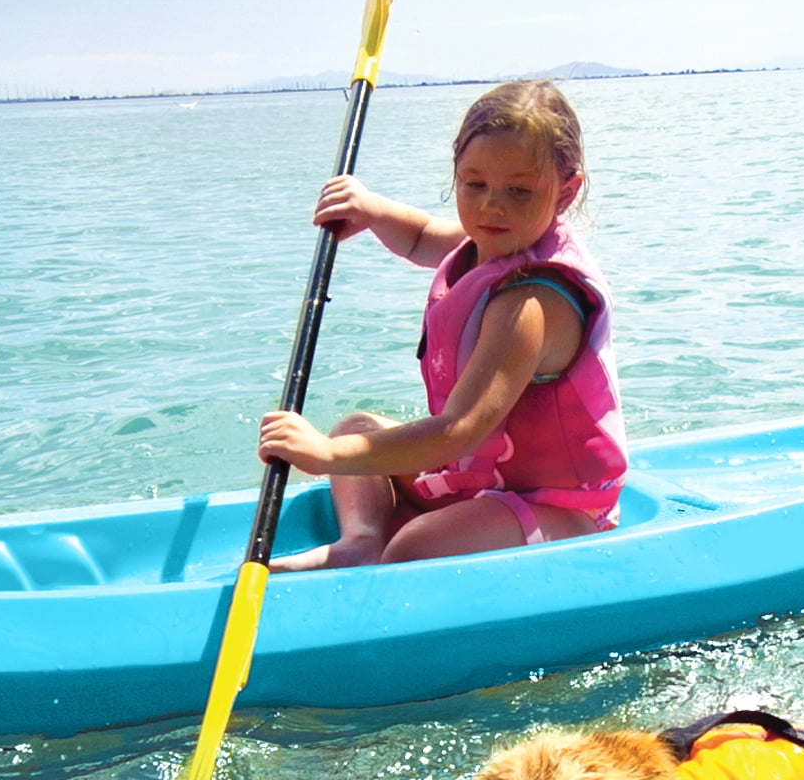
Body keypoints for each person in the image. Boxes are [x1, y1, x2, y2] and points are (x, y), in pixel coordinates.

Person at [260, 80, 627, 569]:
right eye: (474, 184)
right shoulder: (489, 237)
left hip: (557, 507)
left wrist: (326, 454)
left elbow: (459, 431)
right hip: (483, 477)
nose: (491, 206)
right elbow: (421, 237)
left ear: (566, 191)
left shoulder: (531, 304)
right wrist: (371, 210)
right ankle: (363, 541)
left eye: (519, 191)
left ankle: (387, 551)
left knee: (414, 547)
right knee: (359, 426)